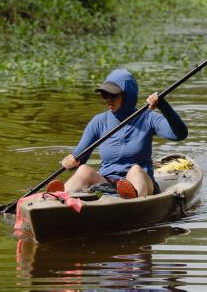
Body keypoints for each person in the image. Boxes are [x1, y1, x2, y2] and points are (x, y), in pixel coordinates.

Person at [59, 68, 187, 199]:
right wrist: (73, 160)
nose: (108, 99)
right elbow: (80, 156)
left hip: (140, 182)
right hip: (106, 184)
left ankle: (132, 200)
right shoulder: (98, 121)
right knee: (84, 170)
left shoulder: (148, 118)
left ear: (127, 96)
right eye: (105, 95)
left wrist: (164, 106)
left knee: (135, 170)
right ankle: (59, 199)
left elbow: (180, 134)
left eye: (113, 95)